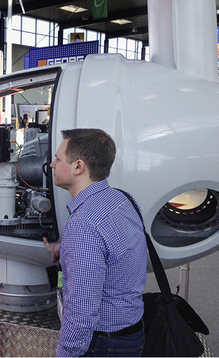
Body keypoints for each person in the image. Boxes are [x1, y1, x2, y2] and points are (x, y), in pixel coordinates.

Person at [43, 128, 147, 357]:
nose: (52, 164)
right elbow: (113, 249)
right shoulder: (122, 199)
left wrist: (66, 354)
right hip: (131, 332)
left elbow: (81, 312)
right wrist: (60, 248)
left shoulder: (84, 225)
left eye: (58, 159)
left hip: (104, 345)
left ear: (78, 167)